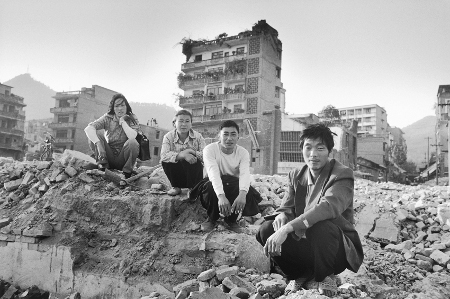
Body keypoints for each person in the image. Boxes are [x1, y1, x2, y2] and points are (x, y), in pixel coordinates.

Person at [256, 123, 363, 297]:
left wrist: (288, 228)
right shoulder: (296, 175)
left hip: (334, 248)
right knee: (267, 229)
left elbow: (329, 207)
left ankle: (324, 275)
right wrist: (282, 215)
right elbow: (287, 205)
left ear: (329, 151)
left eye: (320, 148)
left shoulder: (342, 174)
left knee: (320, 226)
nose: (313, 154)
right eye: (308, 147)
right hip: (305, 244)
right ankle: (298, 274)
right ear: (302, 150)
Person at [189, 120, 262, 232]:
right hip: (212, 182)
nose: (229, 138)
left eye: (233, 134)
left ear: (238, 137)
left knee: (244, 190)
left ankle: (232, 220)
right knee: (209, 187)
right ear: (219, 136)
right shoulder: (209, 150)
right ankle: (211, 218)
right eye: (225, 134)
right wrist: (221, 197)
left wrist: (242, 194)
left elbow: (244, 174)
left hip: (232, 183)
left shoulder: (243, 153)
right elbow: (213, 174)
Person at [84, 94, 139, 179]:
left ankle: (127, 173)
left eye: (122, 105)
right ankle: (103, 166)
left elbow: (132, 136)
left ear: (126, 106)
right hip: (109, 156)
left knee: (133, 142)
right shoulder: (107, 118)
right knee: (96, 133)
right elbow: (88, 129)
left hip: (123, 159)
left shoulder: (132, 118)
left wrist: (123, 121)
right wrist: (98, 144)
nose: (120, 108)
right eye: (117, 106)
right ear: (113, 108)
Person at [160, 110, 205, 196]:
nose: (184, 124)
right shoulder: (168, 137)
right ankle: (176, 187)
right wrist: (183, 155)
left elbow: (205, 156)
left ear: (191, 124)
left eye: (187, 121)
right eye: (181, 121)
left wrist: (191, 152)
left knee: (191, 158)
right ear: (174, 123)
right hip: (178, 173)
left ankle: (193, 188)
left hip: (193, 172)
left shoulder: (198, 137)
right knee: (168, 161)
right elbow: (164, 156)